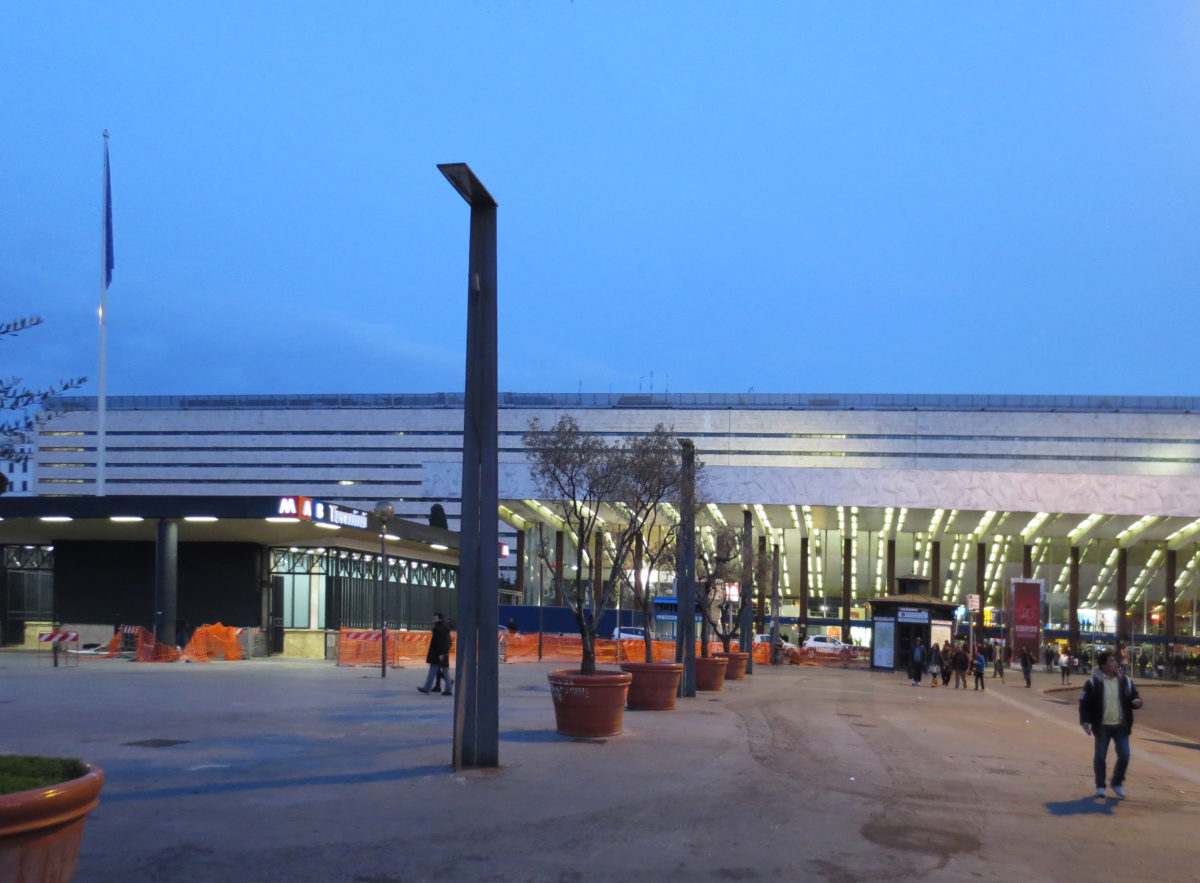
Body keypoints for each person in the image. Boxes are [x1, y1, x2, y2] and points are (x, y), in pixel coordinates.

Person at [1079, 650, 1143, 798]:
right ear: (1103, 666)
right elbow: (1084, 703)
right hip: (1102, 726)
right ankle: (1100, 786)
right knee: (1100, 756)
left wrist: (1137, 702)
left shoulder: (1125, 681)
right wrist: (1085, 722)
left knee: (1125, 755)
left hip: (1121, 725)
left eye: (1115, 661)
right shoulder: (1093, 683)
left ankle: (1117, 782)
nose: (1115, 664)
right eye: (1111, 661)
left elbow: (1134, 696)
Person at [418, 612, 453, 697]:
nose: (433, 620)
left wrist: (441, 653)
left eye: (435, 618)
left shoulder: (439, 629)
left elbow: (441, 643)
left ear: (440, 619)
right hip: (443, 654)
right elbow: (448, 643)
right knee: (445, 671)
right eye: (433, 618)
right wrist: (444, 653)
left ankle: (427, 688)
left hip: (438, 654)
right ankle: (448, 689)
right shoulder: (444, 628)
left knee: (433, 671)